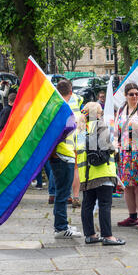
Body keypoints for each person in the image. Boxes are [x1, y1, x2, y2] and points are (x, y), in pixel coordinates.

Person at [76, 102, 125, 245]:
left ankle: (90, 235)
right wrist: (114, 147)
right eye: (100, 111)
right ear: (97, 113)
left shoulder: (80, 129)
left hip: (86, 174)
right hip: (102, 172)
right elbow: (106, 147)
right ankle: (108, 236)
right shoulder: (100, 126)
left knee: (87, 205)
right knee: (104, 204)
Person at [115, 83, 138, 230]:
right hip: (124, 152)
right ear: (126, 95)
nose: (135, 96)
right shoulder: (122, 110)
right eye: (131, 94)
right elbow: (116, 129)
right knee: (127, 186)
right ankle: (132, 216)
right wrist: (115, 144)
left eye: (137, 94)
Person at [49, 79, 82, 238]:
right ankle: (61, 228)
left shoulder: (56, 107)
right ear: (71, 92)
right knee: (62, 194)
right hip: (63, 155)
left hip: (63, 154)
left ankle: (62, 224)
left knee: (62, 193)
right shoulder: (62, 108)